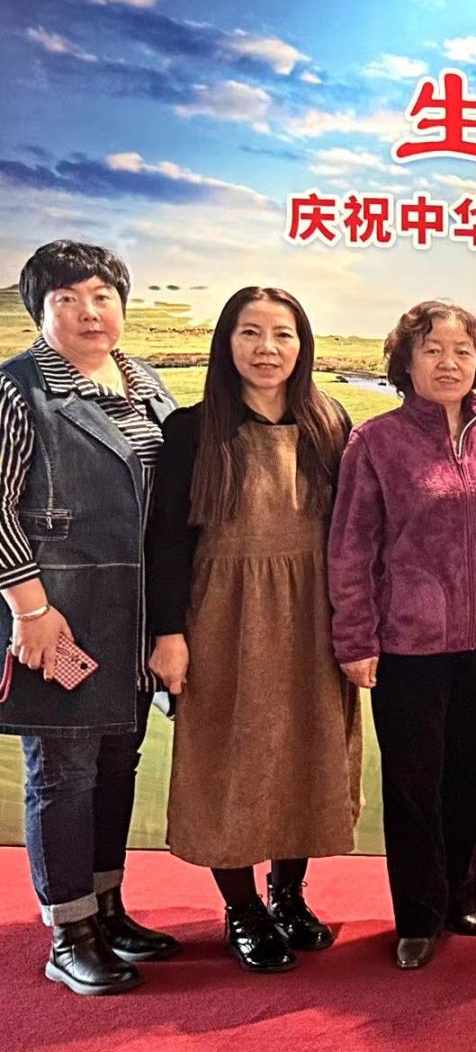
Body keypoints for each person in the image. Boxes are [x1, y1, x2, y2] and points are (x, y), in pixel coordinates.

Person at [146, 287, 362, 974]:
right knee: (229, 756)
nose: (267, 348)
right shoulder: (192, 429)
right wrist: (168, 634)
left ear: (303, 345)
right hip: (223, 614)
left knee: (305, 749)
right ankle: (242, 908)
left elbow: (355, 534)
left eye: (283, 334)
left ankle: (287, 894)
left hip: (313, 614)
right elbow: (166, 542)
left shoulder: (330, 421)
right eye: (250, 332)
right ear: (226, 342)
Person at [328, 301, 476, 971]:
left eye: (462, 351)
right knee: (414, 782)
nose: (449, 363)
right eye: (432, 350)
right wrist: (355, 637)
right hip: (408, 642)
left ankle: (458, 898)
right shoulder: (376, 442)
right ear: (406, 361)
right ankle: (417, 916)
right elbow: (351, 548)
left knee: (472, 772)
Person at [0, 241, 180, 995]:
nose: (89, 311)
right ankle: (68, 931)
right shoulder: (17, 389)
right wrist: (32, 608)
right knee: (63, 770)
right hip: (59, 616)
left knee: (116, 760)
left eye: (102, 295)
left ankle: (107, 909)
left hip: (131, 616)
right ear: (39, 310)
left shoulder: (144, 382)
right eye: (67, 299)